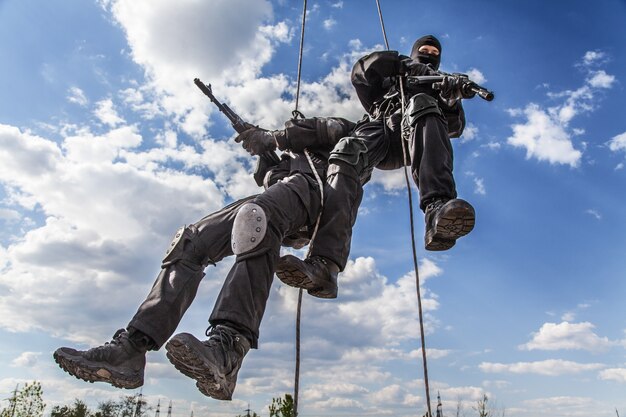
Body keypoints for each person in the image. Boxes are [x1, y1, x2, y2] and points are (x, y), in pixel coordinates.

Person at [53, 116, 355, 400]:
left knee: (255, 218)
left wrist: (271, 138)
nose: (296, 127)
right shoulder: (294, 159)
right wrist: (265, 156)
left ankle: (229, 349)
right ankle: (132, 349)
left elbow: (331, 130)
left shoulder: (345, 138)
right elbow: (270, 180)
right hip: (284, 190)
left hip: (311, 194)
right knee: (191, 242)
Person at [269, 35, 476, 299]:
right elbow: (362, 72)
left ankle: (437, 208)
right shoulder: (392, 77)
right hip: (379, 130)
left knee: (422, 103)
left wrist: (449, 99)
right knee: (346, 152)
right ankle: (324, 265)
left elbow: (453, 128)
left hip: (412, 134)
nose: (429, 54)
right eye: (423, 50)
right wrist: (403, 65)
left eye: (434, 52)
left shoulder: (439, 85)